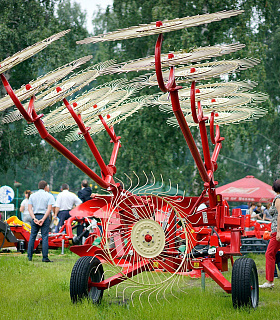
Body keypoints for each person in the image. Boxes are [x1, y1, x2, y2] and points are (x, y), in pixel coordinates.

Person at [27, 181, 55, 262]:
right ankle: (45, 257)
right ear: (45, 187)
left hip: (35, 216)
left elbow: (29, 208)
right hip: (44, 216)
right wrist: (43, 219)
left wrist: (34, 218)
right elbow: (49, 209)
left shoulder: (32, 195)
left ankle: (29, 257)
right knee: (45, 237)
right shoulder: (49, 195)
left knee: (32, 236)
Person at [259, 179, 280, 288]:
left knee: (269, 254)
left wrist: (278, 232)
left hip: (277, 230)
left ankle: (269, 282)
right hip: (276, 230)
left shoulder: (278, 198)